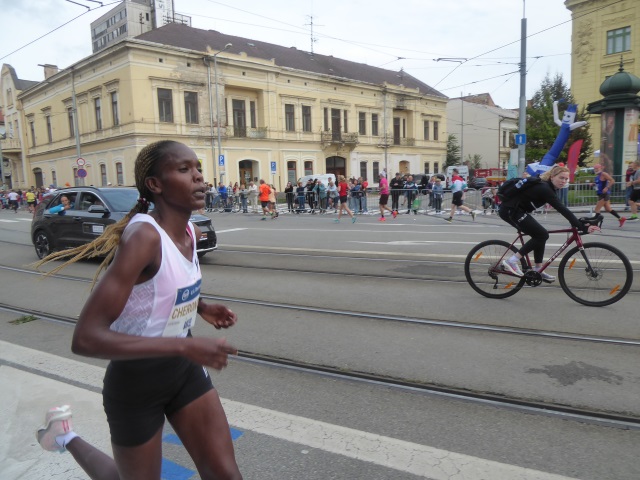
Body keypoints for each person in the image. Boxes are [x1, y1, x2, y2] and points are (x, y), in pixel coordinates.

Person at [33, 140, 242, 479]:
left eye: (198, 168)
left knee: (226, 475)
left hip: (183, 372)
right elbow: (85, 338)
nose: (199, 178)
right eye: (184, 170)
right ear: (155, 185)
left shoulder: (189, 230)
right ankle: (64, 435)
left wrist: (199, 305)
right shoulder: (144, 237)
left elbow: (157, 284)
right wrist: (186, 344)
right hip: (136, 385)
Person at [499, 165, 600, 282]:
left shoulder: (548, 187)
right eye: (561, 178)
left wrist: (579, 223)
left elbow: (563, 208)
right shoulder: (545, 188)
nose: (564, 181)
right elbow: (562, 209)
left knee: (540, 235)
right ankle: (511, 261)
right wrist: (580, 226)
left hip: (516, 211)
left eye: (566, 179)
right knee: (541, 235)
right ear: (552, 177)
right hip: (510, 211)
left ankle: (538, 270)